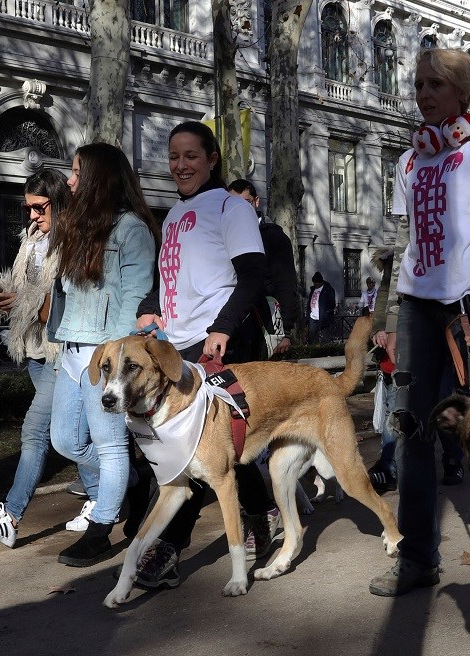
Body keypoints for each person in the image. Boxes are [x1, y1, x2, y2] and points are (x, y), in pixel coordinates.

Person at [370, 47, 470, 597]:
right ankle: (417, 558)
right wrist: (386, 317)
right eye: (418, 84)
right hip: (417, 308)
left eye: (436, 84)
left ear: (462, 91)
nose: (424, 93)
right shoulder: (408, 161)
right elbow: (397, 245)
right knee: (412, 431)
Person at [132, 120, 273, 589]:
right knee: (216, 452)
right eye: (174, 157)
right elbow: (166, 279)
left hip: (220, 342)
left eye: (191, 155)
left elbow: (253, 275)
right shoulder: (173, 215)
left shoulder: (231, 208)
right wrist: (148, 309)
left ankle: (169, 549)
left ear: (212, 159)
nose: (181, 165)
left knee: (210, 450)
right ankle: (259, 510)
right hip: (177, 345)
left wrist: (222, 328)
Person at [0, 169, 94, 548]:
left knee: (35, 433)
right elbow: (25, 290)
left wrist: (21, 301)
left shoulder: (76, 240)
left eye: (40, 208)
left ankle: (10, 517)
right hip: (34, 348)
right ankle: (108, 491)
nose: (33, 216)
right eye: (29, 209)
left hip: (63, 348)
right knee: (71, 436)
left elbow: (66, 299)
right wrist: (2, 294)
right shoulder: (31, 240)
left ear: (58, 201)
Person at [47, 143, 158, 567]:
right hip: (71, 348)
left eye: (76, 172)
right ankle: (131, 482)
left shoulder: (132, 229)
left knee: (110, 447)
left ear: (98, 178)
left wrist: (115, 362)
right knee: (65, 440)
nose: (70, 180)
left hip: (105, 354)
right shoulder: (78, 227)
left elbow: (135, 298)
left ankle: (102, 525)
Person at [226, 178, 301, 356]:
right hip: (232, 326)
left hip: (263, 328)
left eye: (245, 203)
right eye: (232, 204)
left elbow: (286, 284)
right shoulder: (225, 234)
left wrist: (285, 332)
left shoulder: (274, 237)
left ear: (256, 202)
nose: (238, 210)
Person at [308, 271, 336, 343]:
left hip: (324, 317)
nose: (315, 284)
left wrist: (327, 313)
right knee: (312, 337)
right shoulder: (313, 290)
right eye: (314, 282)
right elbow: (310, 302)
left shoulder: (328, 290)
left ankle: (327, 352)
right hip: (313, 317)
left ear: (320, 282)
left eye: (316, 283)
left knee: (326, 337)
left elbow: (332, 303)